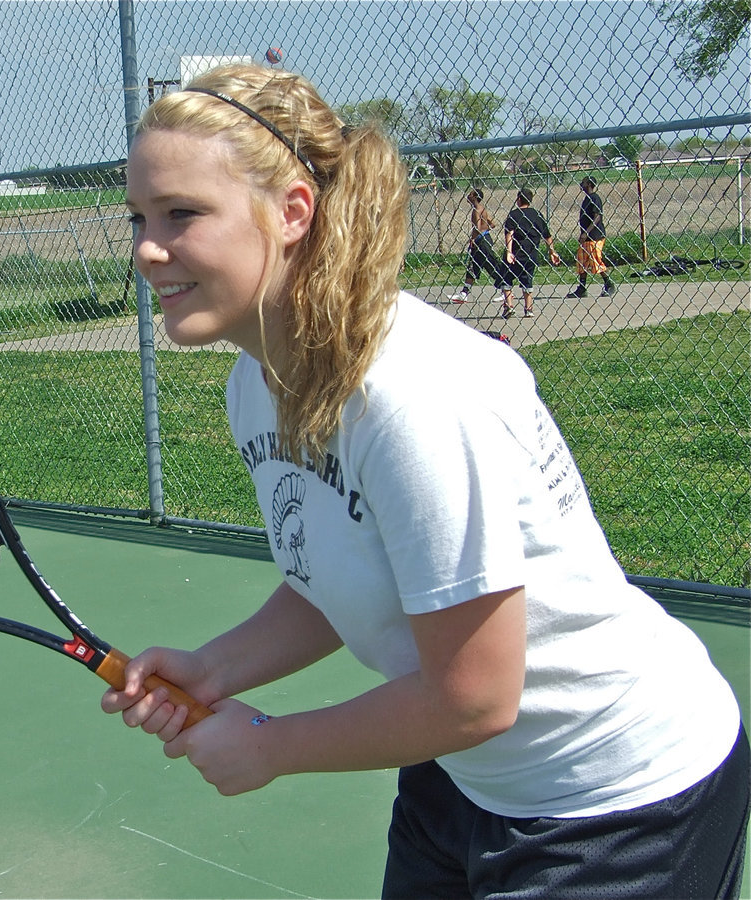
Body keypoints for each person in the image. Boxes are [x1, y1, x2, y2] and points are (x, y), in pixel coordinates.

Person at [110, 63, 748, 899]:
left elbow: (475, 698)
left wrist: (270, 745)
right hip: (460, 776)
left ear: (293, 211)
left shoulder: (412, 396)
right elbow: (333, 575)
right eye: (139, 216)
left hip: (618, 799)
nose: (147, 248)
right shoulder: (254, 384)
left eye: (182, 213)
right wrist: (214, 667)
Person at [446, 187, 514, 313]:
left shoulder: (476, 211)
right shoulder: (483, 209)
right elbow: (492, 224)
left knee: (492, 265)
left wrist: (473, 238)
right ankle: (464, 293)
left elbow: (477, 228)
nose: (468, 196)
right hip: (484, 239)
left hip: (481, 242)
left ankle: (505, 290)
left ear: (475, 197)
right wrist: (485, 229)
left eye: (470, 194)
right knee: (473, 266)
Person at [503, 186, 562, 317]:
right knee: (527, 278)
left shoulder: (514, 214)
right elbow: (547, 235)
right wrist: (552, 251)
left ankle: (509, 306)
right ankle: (528, 309)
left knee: (506, 277)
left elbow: (510, 234)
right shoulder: (537, 215)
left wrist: (508, 252)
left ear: (519, 199)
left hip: (515, 252)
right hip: (531, 253)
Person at [568, 175, 615, 298]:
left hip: (594, 235)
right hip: (586, 237)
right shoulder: (587, 198)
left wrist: (586, 232)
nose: (581, 184)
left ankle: (609, 284)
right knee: (582, 261)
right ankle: (582, 288)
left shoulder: (594, 198)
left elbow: (597, 216)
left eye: (583, 182)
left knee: (595, 260)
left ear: (589, 184)